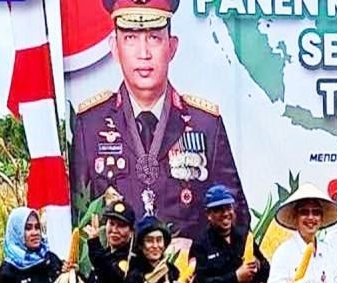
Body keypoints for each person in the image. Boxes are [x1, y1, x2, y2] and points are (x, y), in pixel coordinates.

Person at [71, 0, 249, 244]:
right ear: (114, 47)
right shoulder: (90, 126)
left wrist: (203, 262)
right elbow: (77, 220)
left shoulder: (205, 125)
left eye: (154, 38)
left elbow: (237, 218)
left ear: (172, 47)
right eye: (131, 38)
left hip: (188, 279)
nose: (143, 53)